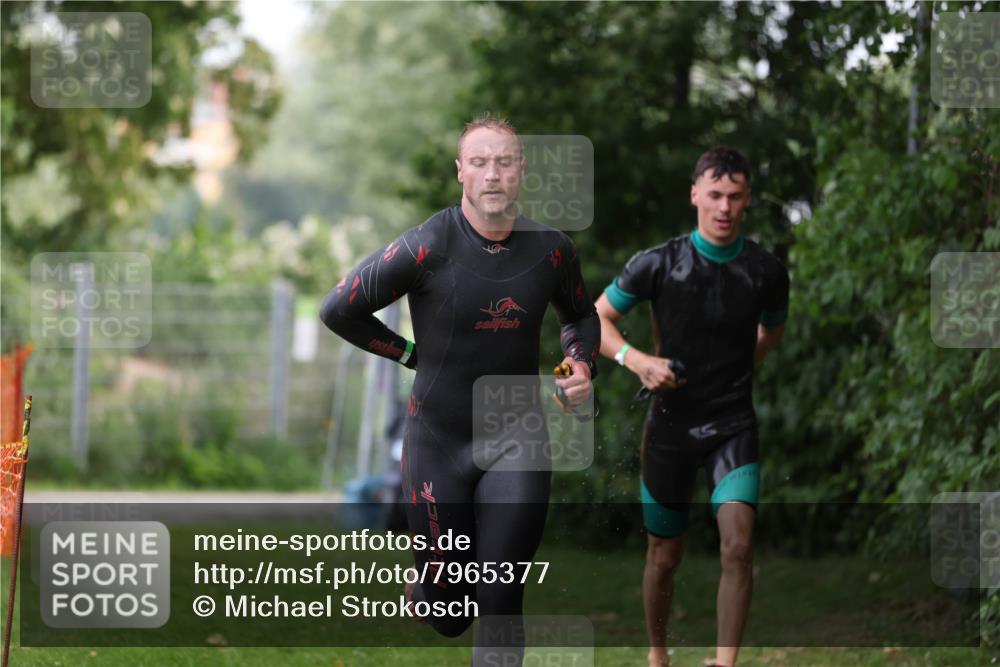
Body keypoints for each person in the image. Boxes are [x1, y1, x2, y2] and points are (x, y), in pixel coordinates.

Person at [320, 114, 600, 666]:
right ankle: (428, 589)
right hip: (438, 443)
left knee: (500, 597)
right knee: (451, 615)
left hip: (517, 439)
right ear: (461, 173)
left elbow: (581, 316)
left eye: (504, 162)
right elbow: (339, 310)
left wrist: (579, 364)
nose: (492, 174)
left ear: (521, 171)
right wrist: (407, 355)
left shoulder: (552, 251)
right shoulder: (426, 246)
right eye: (479, 162)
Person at [594, 147, 789, 667]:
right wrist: (638, 361)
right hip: (670, 426)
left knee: (739, 546)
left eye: (736, 197)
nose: (724, 207)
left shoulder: (766, 271)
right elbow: (596, 322)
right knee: (664, 556)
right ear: (696, 194)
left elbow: (772, 330)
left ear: (747, 200)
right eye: (716, 195)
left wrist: (741, 364)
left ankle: (724, 663)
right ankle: (659, 655)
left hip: (732, 424)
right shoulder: (659, 263)